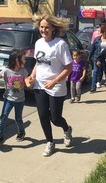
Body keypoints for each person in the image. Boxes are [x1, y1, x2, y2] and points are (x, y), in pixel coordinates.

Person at [30, 13, 73, 157]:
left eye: (46, 27)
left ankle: (67, 129)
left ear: (53, 28)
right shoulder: (38, 43)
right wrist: (32, 76)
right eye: (41, 27)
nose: (43, 30)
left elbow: (69, 67)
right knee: (42, 115)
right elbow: (38, 62)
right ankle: (50, 142)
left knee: (55, 118)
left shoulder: (60, 44)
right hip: (39, 85)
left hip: (56, 86)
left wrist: (54, 81)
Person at [89, 24, 106, 92]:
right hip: (97, 57)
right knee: (95, 72)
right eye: (105, 33)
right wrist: (89, 57)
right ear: (102, 33)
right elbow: (92, 49)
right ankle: (93, 87)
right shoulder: (97, 39)